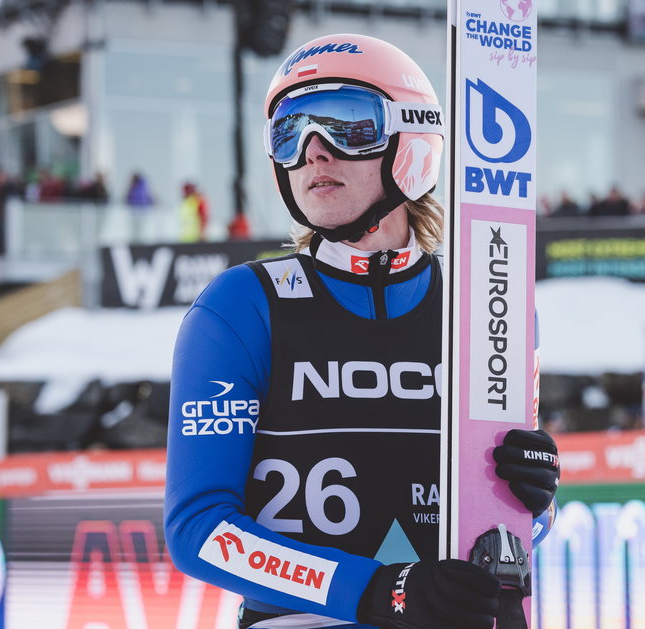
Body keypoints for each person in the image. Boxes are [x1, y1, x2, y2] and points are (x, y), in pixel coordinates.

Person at [164, 34, 560, 629]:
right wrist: (375, 590)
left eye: (348, 124)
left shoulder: (488, 303)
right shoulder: (242, 307)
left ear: (411, 141)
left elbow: (518, 528)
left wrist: (537, 496)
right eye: (289, 130)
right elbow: (200, 530)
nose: (313, 152)